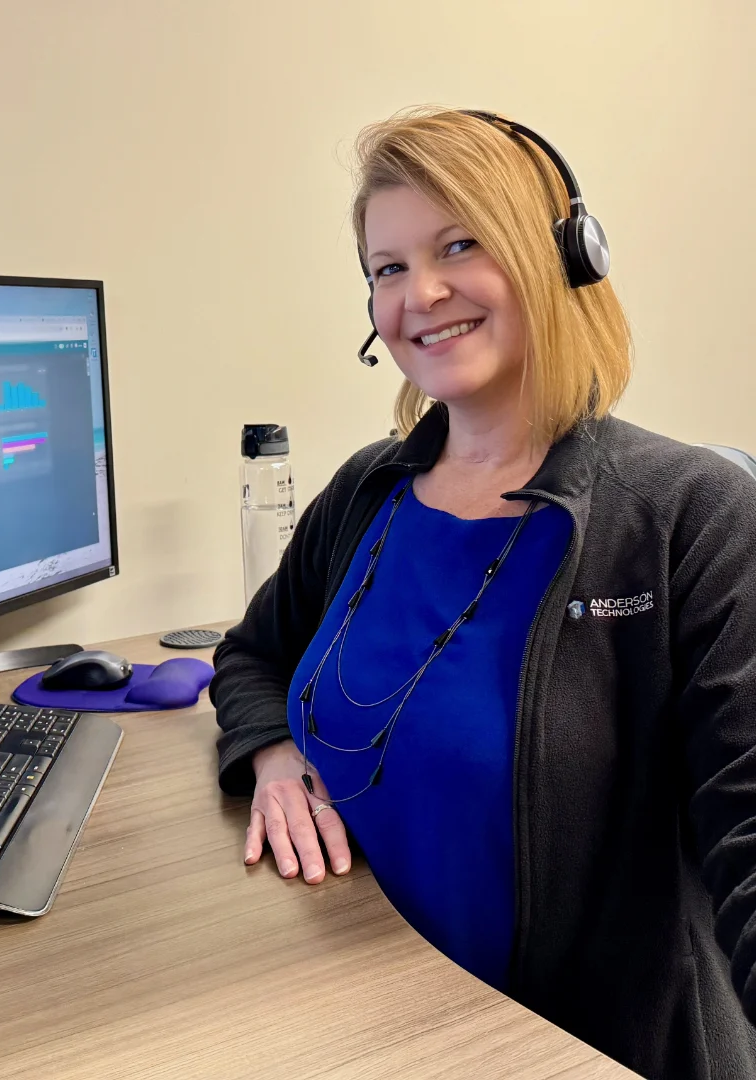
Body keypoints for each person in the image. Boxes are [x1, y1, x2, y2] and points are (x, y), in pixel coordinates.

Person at [209, 106, 756, 1080]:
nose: (420, 292)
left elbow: (748, 819)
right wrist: (274, 756)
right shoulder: (369, 489)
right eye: (387, 267)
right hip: (349, 1017)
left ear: (564, 259)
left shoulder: (689, 514)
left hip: (561, 1051)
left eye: (461, 244)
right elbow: (251, 653)